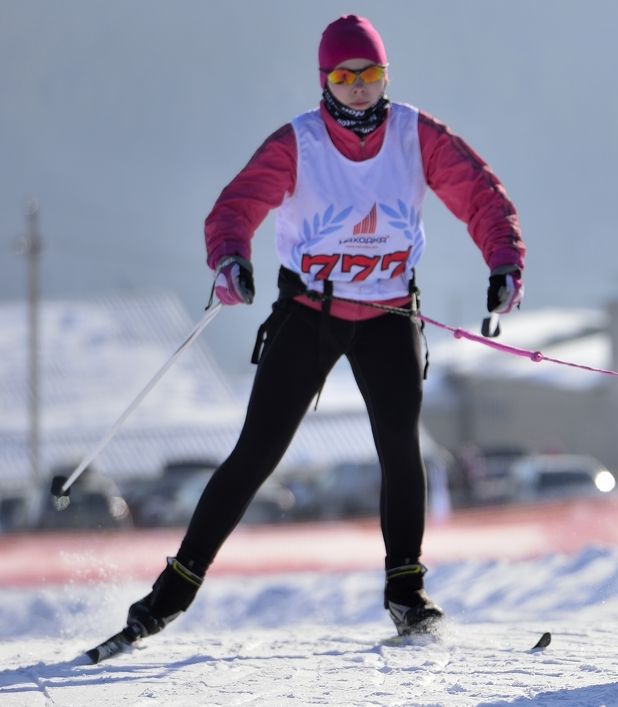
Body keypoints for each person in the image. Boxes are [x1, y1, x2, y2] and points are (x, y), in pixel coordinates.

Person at [120, 14, 525, 640]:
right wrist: (231, 258)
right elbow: (238, 206)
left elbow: (481, 197)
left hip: (390, 313)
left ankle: (407, 592)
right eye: (344, 76)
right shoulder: (299, 144)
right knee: (257, 453)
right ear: (325, 80)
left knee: (400, 448)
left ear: (386, 75)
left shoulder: (418, 136)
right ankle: (171, 592)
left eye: (371, 74)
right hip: (311, 312)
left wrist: (504, 262)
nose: (358, 87)